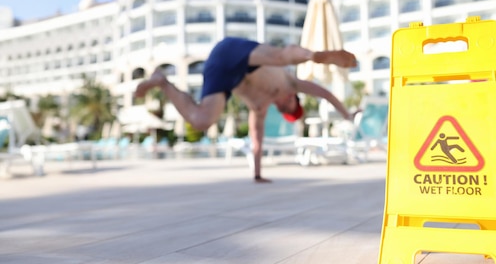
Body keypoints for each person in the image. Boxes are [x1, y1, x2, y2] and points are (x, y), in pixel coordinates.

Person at [135, 37, 357, 183]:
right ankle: (314, 56)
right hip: (233, 52)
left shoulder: (259, 108)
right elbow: (325, 94)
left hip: (224, 72)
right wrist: (347, 114)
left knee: (201, 120)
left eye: (284, 113)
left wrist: (258, 175)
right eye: (288, 109)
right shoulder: (291, 84)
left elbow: (256, 140)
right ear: (293, 99)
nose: (281, 109)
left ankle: (162, 82)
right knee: (280, 57)